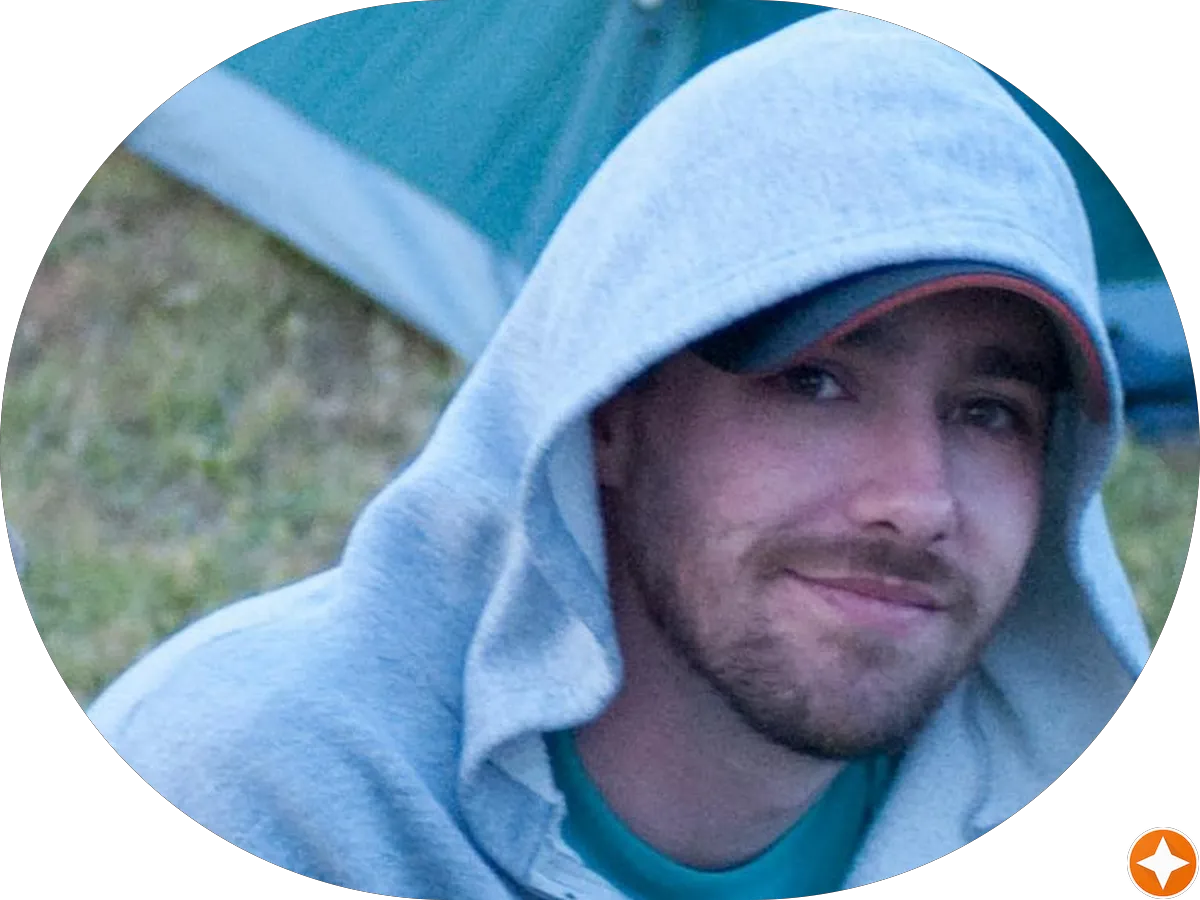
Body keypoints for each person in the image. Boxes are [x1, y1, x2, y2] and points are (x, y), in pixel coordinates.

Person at [85, 11, 1151, 899]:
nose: (918, 501)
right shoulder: (254, 793)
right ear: (609, 411)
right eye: (815, 382)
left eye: (990, 413)